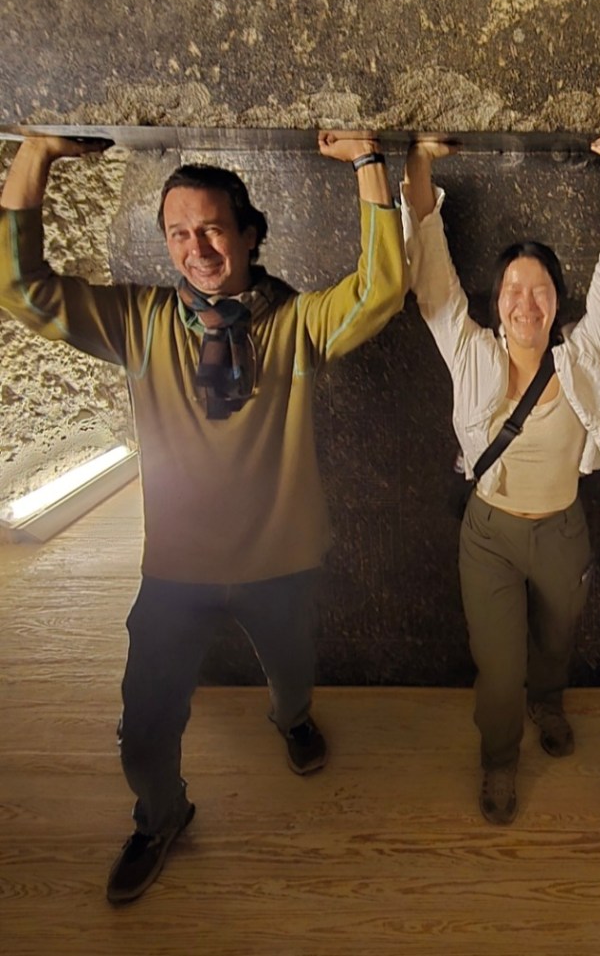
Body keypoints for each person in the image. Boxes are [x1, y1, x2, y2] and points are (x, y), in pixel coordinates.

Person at [0, 131, 406, 903]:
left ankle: (290, 719)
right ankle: (161, 816)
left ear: (250, 234)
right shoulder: (139, 321)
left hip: (280, 562)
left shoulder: (292, 323)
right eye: (179, 234)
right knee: (144, 725)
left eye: (214, 228)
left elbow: (379, 290)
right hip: (176, 572)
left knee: (292, 679)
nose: (198, 248)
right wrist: (38, 155)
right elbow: (22, 288)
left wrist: (367, 163)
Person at [402, 135, 600, 824]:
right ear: (496, 301)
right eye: (513, 288)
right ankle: (500, 759)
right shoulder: (470, 350)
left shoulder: (580, 357)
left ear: (555, 299)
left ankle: (551, 701)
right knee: (498, 660)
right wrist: (417, 161)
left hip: (564, 529)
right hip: (489, 533)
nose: (525, 299)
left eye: (538, 287)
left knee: (556, 639)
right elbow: (430, 265)